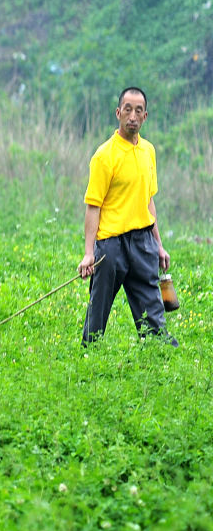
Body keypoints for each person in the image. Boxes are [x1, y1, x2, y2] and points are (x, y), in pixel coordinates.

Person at [77, 86, 176, 346]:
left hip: (143, 242)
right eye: (128, 110)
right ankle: (89, 354)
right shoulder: (104, 156)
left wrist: (159, 245)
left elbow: (149, 202)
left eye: (138, 110)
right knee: (98, 307)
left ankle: (158, 351)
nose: (132, 116)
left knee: (152, 311)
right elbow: (93, 207)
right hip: (111, 246)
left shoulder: (148, 151)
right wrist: (89, 253)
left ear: (145, 117)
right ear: (118, 113)